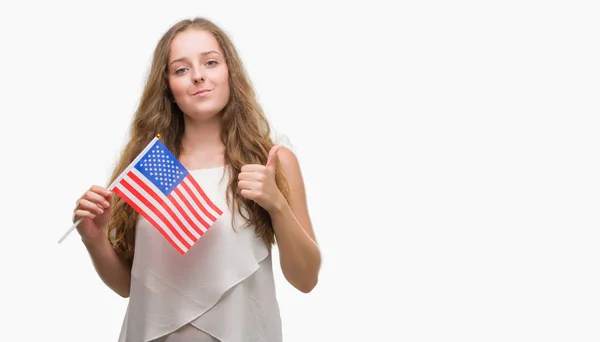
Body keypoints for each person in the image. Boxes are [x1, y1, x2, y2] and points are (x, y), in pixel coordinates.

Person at [71, 17, 321, 342]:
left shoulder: (270, 162)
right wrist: (95, 239)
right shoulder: (152, 167)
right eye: (181, 69)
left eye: (210, 62)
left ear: (229, 71)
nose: (198, 75)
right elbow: (130, 286)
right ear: (168, 87)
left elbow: (306, 279)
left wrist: (276, 205)